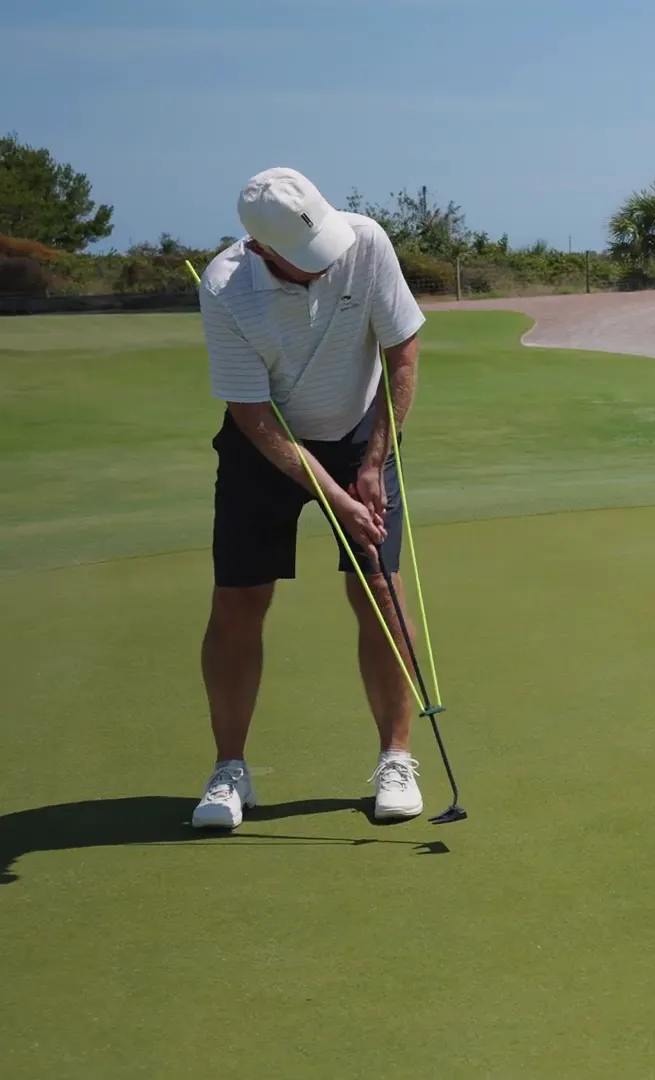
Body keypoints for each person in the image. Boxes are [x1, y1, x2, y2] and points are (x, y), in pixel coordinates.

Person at [191, 167, 428, 830]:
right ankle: (230, 770)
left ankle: (396, 757)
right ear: (261, 251)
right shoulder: (224, 287)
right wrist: (332, 497)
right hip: (265, 444)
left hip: (360, 433)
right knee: (240, 599)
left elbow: (402, 349)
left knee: (379, 590)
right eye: (303, 262)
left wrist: (376, 460)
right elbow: (251, 411)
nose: (321, 267)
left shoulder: (364, 242)